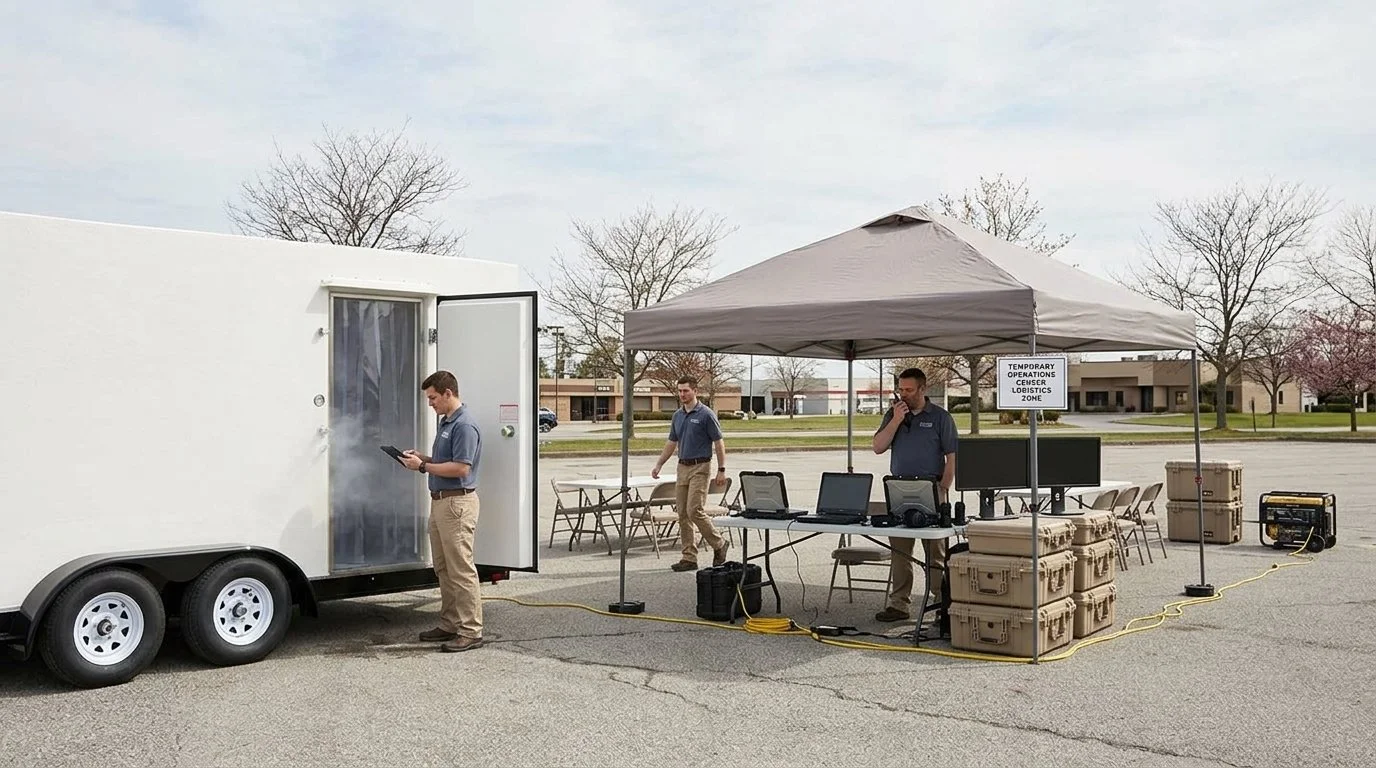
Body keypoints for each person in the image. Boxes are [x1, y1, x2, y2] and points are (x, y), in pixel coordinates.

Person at [399, 370, 485, 652]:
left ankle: (471, 630)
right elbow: (445, 462)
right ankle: (450, 623)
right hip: (440, 502)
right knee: (444, 568)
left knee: (461, 569)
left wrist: (422, 467)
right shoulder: (447, 422)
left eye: (433, 398)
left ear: (449, 393)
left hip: (457, 504)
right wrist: (423, 458)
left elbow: (461, 468)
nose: (430, 403)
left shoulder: (464, 425)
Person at [870, 367, 958, 623]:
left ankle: (940, 601)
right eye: (901, 389)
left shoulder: (941, 417)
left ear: (923, 389)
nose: (904, 394)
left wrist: (945, 486)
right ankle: (899, 604)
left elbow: (951, 455)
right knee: (900, 550)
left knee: (935, 550)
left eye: (909, 390)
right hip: (899, 489)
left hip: (931, 489)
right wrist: (896, 420)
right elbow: (878, 446)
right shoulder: (893, 414)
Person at [651, 375, 731, 572]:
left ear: (695, 391)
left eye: (686, 390)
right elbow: (672, 442)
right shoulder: (678, 416)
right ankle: (689, 557)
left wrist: (721, 470)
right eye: (679, 391)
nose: (682, 394)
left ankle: (719, 543)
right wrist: (659, 464)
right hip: (682, 467)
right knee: (683, 513)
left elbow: (719, 443)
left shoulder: (706, 414)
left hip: (701, 467)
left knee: (694, 510)